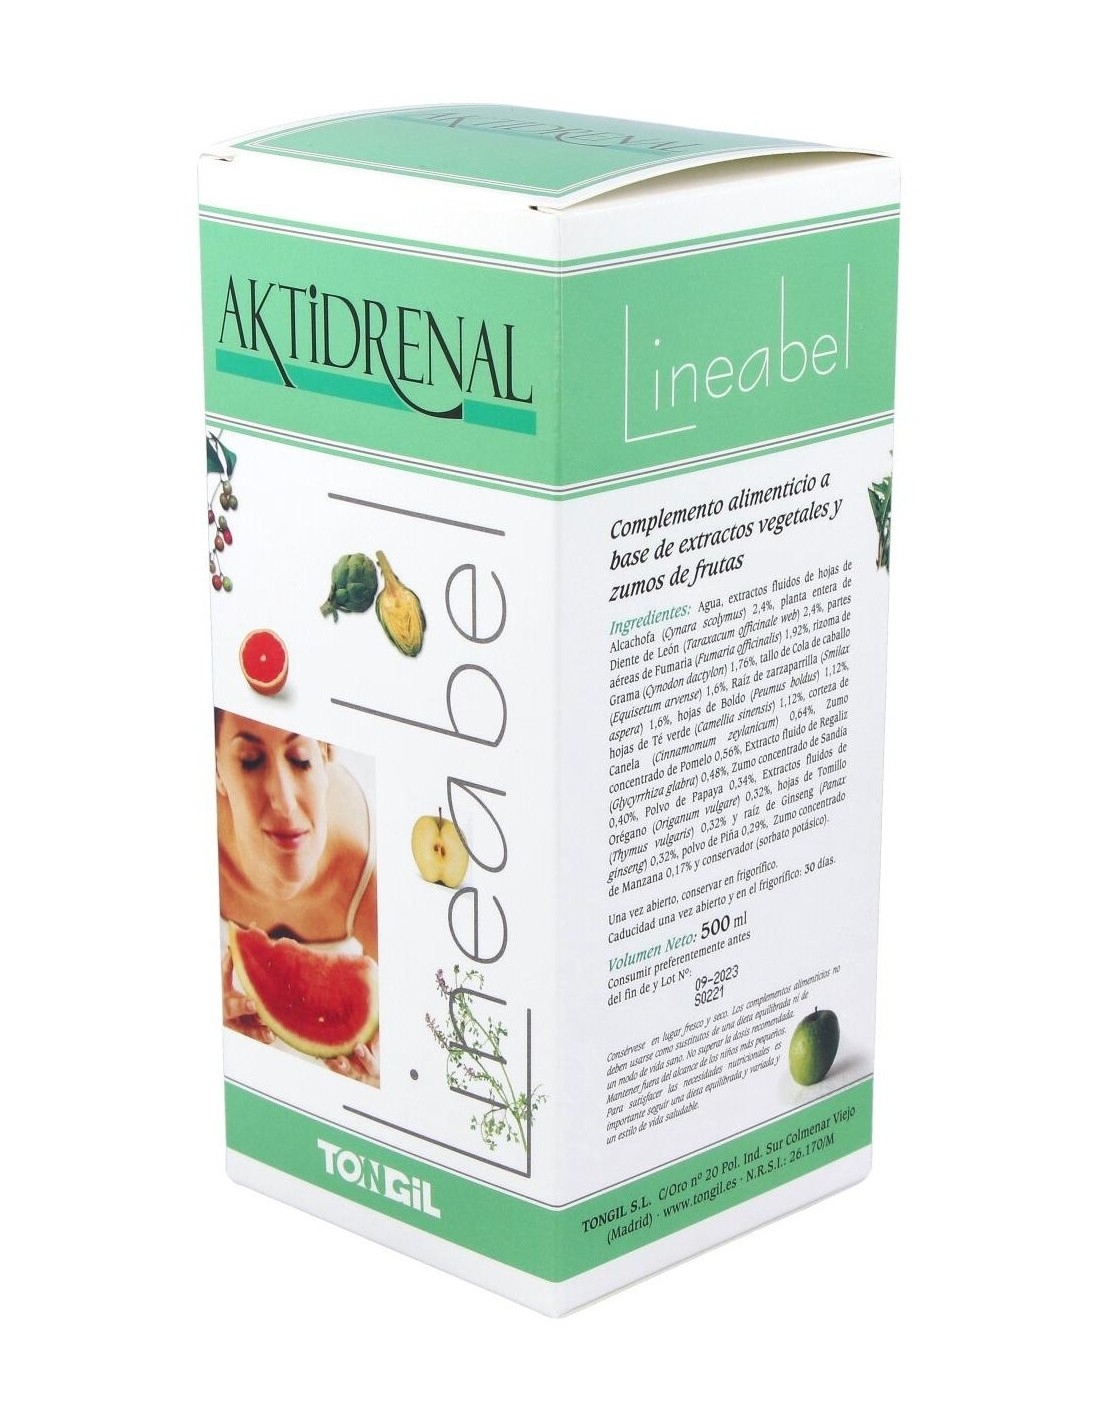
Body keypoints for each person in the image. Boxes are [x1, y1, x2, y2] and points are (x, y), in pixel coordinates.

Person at [215, 710, 378, 1084]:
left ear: (326, 753)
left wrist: (380, 1078)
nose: (285, 804)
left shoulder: (370, 873)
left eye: (301, 760)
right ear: (216, 769)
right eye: (250, 762)